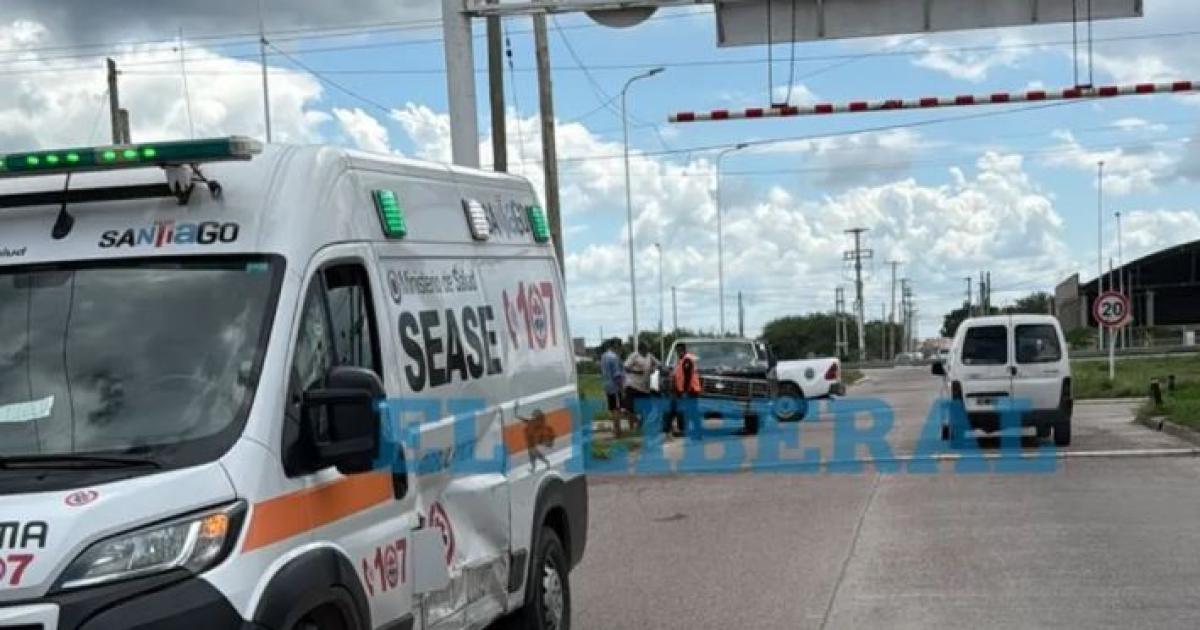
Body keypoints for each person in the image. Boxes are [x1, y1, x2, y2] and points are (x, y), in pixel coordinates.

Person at [623, 341, 660, 431]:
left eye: (648, 349)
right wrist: (636, 371)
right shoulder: (634, 356)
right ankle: (632, 426)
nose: (647, 351)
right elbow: (626, 367)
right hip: (633, 384)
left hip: (644, 386)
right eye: (645, 349)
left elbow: (658, 364)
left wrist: (653, 369)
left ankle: (640, 423)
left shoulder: (649, 356)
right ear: (641, 349)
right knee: (630, 407)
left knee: (648, 408)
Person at [669, 342, 702, 439]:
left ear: (684, 350)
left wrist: (685, 392)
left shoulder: (687, 360)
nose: (678, 352)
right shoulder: (682, 360)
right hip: (683, 390)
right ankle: (684, 430)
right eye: (677, 351)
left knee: (692, 411)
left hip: (690, 390)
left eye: (679, 350)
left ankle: (696, 432)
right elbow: (678, 376)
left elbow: (687, 377)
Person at [599, 338, 625, 433]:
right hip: (615, 387)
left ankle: (615, 428)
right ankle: (618, 429)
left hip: (606, 385)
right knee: (617, 409)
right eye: (620, 346)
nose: (621, 349)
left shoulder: (603, 356)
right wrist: (622, 389)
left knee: (612, 407)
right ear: (616, 346)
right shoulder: (614, 357)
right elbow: (617, 375)